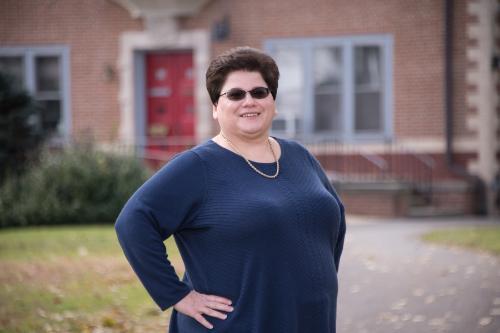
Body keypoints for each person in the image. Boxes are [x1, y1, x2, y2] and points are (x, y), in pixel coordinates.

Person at [115, 46, 347, 333]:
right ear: (215, 107)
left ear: (273, 100)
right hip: (239, 324)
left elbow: (334, 221)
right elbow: (133, 222)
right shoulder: (197, 166)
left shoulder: (299, 156)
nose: (249, 101)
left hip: (311, 320)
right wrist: (177, 295)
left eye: (259, 92)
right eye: (235, 94)